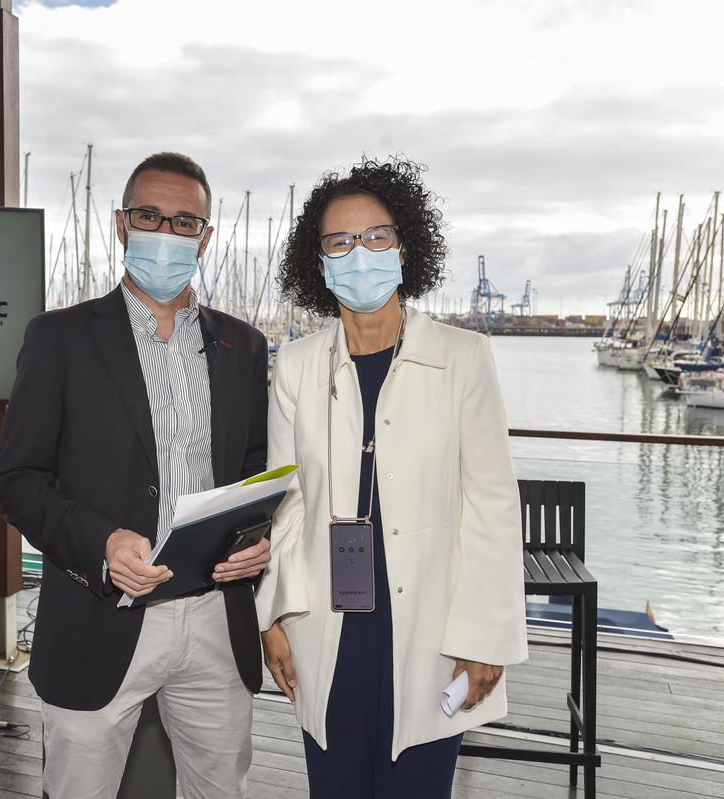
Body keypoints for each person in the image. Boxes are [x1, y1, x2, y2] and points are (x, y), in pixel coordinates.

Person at [0, 152, 271, 799]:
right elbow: (18, 478)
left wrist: (258, 536)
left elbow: (255, 468)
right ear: (122, 224)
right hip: (99, 616)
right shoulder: (59, 338)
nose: (167, 234)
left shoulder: (244, 347)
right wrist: (103, 542)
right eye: (150, 216)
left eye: (184, 222)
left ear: (206, 236)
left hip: (217, 616)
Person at [255, 156, 529, 797]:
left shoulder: (463, 357)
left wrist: (485, 637)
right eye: (340, 241)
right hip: (325, 626)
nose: (360, 253)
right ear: (318, 263)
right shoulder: (296, 365)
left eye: (377, 236)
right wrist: (272, 616)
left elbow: (491, 504)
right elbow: (285, 507)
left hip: (433, 630)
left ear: (405, 248)